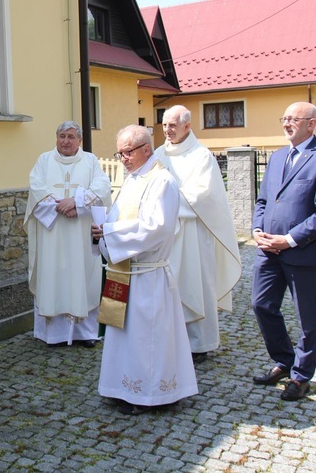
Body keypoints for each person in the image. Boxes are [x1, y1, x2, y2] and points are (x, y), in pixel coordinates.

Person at [92, 124, 198, 415]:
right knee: (123, 334)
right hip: (124, 270)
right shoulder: (133, 180)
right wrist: (103, 230)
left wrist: (110, 233)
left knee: (146, 338)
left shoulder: (161, 181)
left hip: (148, 273)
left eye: (127, 152)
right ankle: (122, 386)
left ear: (146, 149)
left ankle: (148, 395)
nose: (123, 158)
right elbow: (117, 217)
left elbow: (156, 228)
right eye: (120, 153)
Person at [251, 102, 316, 401]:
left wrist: (288, 239)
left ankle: (301, 376)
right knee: (262, 305)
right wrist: (256, 230)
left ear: (311, 124)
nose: (287, 123)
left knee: (307, 317)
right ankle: (284, 360)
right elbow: (263, 200)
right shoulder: (277, 157)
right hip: (268, 252)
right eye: (284, 118)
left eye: (293, 119)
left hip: (301, 252)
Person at [153, 105, 242, 363]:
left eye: (173, 125)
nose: (168, 130)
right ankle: (170, 340)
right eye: (165, 125)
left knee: (196, 284)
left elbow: (203, 195)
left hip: (192, 231)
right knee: (169, 286)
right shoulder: (159, 154)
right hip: (167, 232)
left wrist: (166, 202)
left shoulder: (202, 156)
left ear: (187, 126)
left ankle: (200, 344)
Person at [24, 121, 112, 347]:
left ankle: (85, 334)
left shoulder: (90, 161)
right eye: (62, 136)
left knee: (81, 276)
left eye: (71, 136)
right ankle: (53, 335)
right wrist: (61, 206)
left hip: (80, 233)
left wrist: (77, 203)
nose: (65, 141)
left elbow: (102, 187)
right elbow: (36, 187)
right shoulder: (44, 160)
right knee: (53, 275)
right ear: (56, 138)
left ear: (79, 140)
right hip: (51, 232)